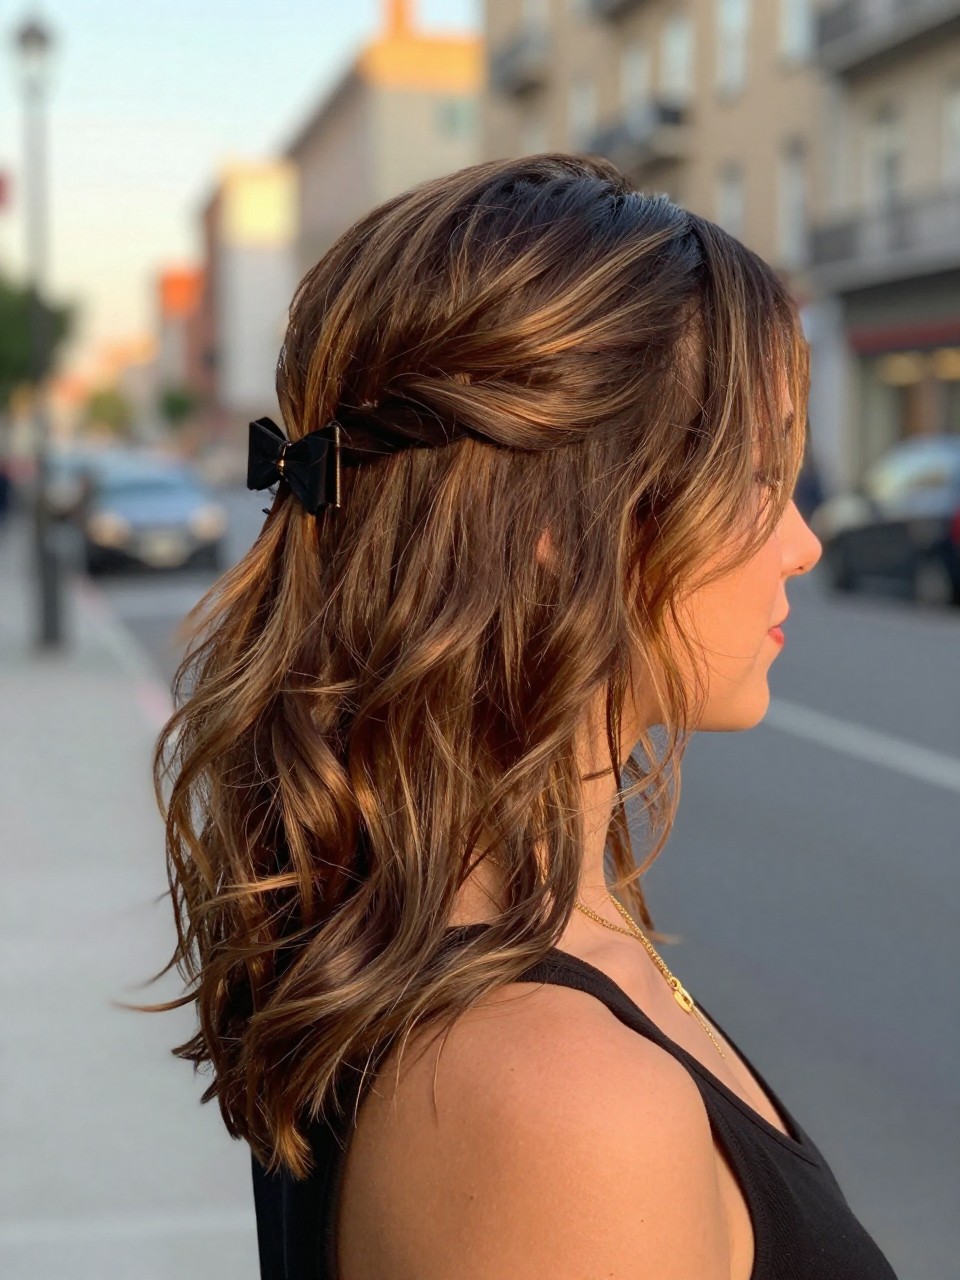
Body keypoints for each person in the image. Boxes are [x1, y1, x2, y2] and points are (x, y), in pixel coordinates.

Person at [147, 155, 900, 1280]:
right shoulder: (559, 1104)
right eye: (756, 472)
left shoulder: (506, 930)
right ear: (557, 517)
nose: (804, 539)